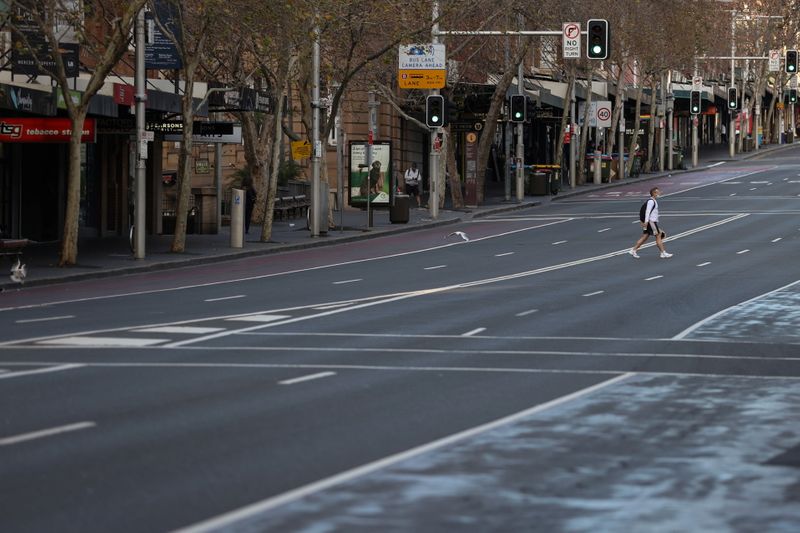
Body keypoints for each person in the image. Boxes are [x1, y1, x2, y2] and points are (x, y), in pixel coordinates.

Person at [630, 187, 673, 259]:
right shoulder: (651, 201)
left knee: (645, 236)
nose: (659, 193)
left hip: (650, 221)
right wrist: (646, 222)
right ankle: (663, 253)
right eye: (658, 192)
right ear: (654, 193)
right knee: (658, 235)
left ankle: (633, 250)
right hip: (651, 222)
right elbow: (647, 212)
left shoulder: (653, 201)